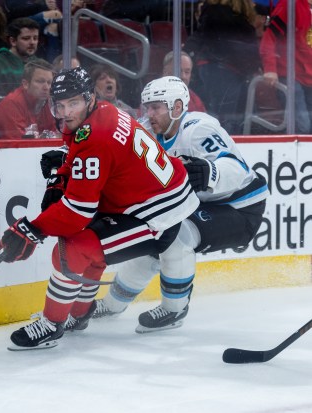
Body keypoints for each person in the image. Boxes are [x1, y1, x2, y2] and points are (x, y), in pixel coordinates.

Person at [0, 67, 200, 350]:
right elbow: (88, 160)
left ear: (89, 98)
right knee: (90, 244)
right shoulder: (103, 111)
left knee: (73, 249)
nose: (66, 112)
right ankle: (79, 314)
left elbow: (78, 211)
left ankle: (52, 325)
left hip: (158, 215)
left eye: (73, 103)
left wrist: (32, 230)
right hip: (147, 199)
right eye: (60, 105)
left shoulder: (97, 136)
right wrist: (63, 172)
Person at [91, 76, 268, 333]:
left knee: (176, 237)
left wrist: (210, 171)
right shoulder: (147, 132)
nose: (149, 113)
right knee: (152, 237)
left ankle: (175, 310)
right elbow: (107, 147)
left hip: (240, 207)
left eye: (156, 107)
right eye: (147, 107)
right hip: (201, 204)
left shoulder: (199, 129)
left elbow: (237, 169)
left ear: (176, 107)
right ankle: (113, 304)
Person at [184, 0, 261, 134]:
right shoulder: (225, 16)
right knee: (225, 119)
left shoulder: (216, 13)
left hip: (217, 68)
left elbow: (199, 36)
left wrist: (185, 52)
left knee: (223, 117)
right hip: (224, 70)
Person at [259, 0, 312, 134]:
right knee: (303, 126)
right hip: (291, 76)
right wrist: (270, 68)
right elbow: (269, 38)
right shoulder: (291, 5)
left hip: (308, 77)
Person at [0, 59, 57, 139]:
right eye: (40, 81)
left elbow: (54, 135)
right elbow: (18, 145)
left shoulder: (46, 102)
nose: (46, 87)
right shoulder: (11, 104)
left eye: (49, 82)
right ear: (25, 84)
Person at [0, 17, 40, 98]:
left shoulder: (40, 64)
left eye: (35, 38)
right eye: (26, 38)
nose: (32, 42)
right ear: (13, 41)